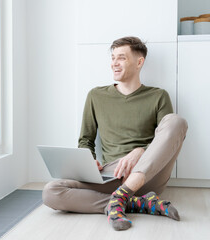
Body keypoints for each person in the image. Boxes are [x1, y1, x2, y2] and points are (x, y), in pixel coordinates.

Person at [42, 36, 188, 231]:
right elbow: (85, 140)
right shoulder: (96, 95)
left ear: (139, 62)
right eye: (112, 58)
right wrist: (89, 160)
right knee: (51, 191)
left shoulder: (158, 96)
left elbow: (167, 139)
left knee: (176, 121)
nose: (114, 64)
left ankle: (123, 196)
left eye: (121, 58)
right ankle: (135, 203)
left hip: (149, 176)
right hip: (112, 174)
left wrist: (140, 151)